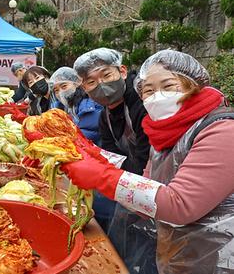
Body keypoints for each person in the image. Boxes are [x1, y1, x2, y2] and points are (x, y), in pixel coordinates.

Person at [64, 49, 234, 274]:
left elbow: (180, 204)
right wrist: (93, 159)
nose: (158, 96)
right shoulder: (161, 133)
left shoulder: (222, 131)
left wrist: (103, 176)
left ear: (193, 84)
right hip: (177, 252)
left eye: (169, 86)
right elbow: (148, 188)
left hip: (218, 257)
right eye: (149, 90)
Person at [74, 48, 156, 273]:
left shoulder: (144, 105)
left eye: (106, 75)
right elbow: (112, 156)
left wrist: (111, 174)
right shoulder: (105, 116)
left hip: (154, 189)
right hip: (130, 185)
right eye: (91, 82)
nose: (100, 85)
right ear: (85, 88)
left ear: (122, 71)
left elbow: (144, 159)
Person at [50, 67, 103, 144]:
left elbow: (90, 134)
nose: (60, 92)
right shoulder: (57, 109)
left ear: (77, 83)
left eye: (64, 86)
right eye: (56, 90)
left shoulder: (91, 105)